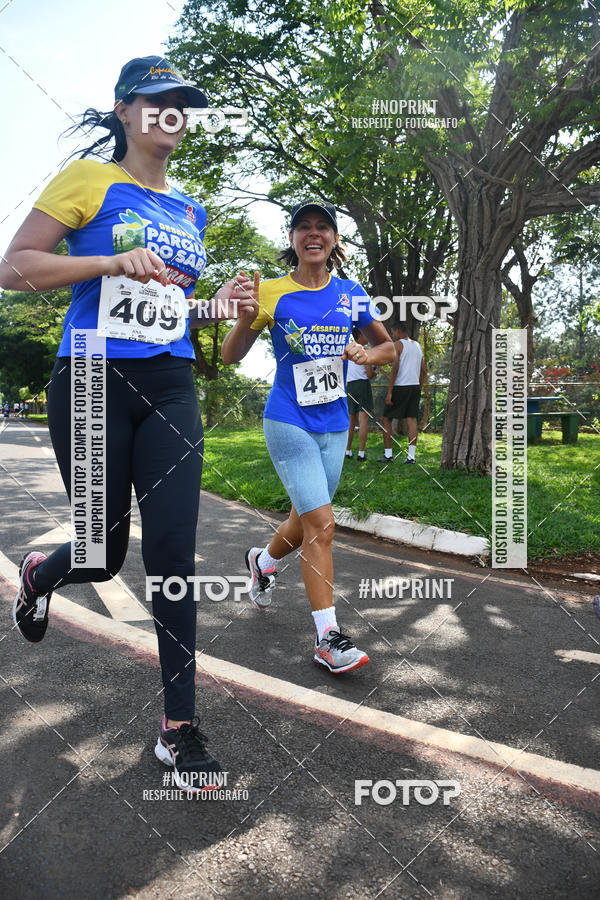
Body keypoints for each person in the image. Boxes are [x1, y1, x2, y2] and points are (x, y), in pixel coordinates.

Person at [0, 55, 259, 791]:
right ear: (124, 109)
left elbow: (173, 309)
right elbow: (14, 266)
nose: (169, 113)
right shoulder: (89, 180)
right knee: (102, 552)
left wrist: (227, 308)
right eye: (156, 101)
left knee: (174, 556)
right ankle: (40, 572)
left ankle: (179, 731)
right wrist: (109, 262)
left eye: (180, 104)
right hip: (88, 376)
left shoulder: (192, 210)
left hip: (171, 384)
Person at [222, 200, 394, 673]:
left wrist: (366, 353)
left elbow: (389, 346)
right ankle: (327, 637)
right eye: (304, 228)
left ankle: (263, 560)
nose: (313, 234)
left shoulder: (350, 293)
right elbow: (230, 356)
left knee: (305, 518)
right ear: (293, 238)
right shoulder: (271, 291)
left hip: (335, 423)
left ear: (335, 239)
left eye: (323, 227)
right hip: (287, 417)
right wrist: (244, 318)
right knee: (322, 524)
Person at [378, 322, 425, 464]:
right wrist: (419, 387)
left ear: (398, 331)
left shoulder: (398, 345)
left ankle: (388, 456)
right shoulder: (417, 346)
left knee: (386, 419)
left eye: (393, 333)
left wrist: (390, 392)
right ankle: (411, 457)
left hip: (400, 386)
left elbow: (395, 369)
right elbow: (424, 370)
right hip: (414, 387)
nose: (393, 336)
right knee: (412, 420)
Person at [345, 327, 376, 461]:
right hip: (362, 385)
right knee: (363, 420)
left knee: (351, 421)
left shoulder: (348, 350)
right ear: (360, 335)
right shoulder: (364, 350)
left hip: (350, 386)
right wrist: (376, 371)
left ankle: (348, 451)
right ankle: (361, 454)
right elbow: (369, 374)